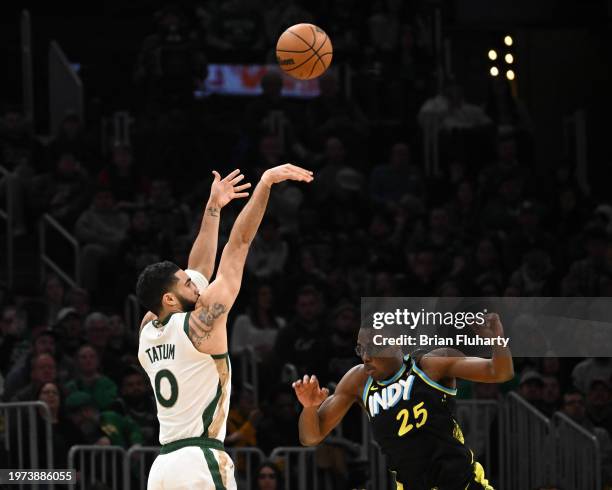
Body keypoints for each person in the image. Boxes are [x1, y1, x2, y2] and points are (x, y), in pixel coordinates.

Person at [136, 164, 313, 489]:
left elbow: (199, 266)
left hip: (161, 468)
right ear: (170, 300)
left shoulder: (147, 329)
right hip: (200, 461)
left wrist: (214, 206)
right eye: (187, 285)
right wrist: (265, 183)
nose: (196, 286)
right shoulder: (203, 322)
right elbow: (240, 245)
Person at [292, 313, 513, 490]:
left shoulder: (431, 365)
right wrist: (309, 408)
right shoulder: (357, 381)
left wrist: (497, 339)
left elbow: (499, 372)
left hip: (462, 483)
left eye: (374, 347)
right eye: (361, 348)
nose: (365, 356)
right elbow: (310, 437)